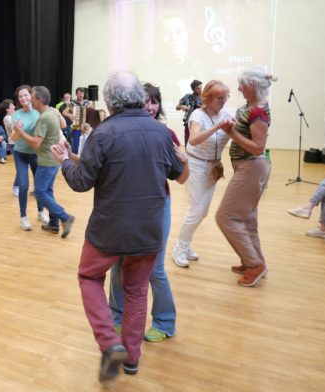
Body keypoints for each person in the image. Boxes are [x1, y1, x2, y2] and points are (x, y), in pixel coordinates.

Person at [51, 71, 188, 382]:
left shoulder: (103, 133)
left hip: (108, 233)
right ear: (139, 97)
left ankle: (110, 342)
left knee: (89, 277)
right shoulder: (160, 132)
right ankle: (132, 359)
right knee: (138, 291)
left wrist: (64, 161)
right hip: (148, 232)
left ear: (109, 101)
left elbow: (82, 182)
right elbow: (178, 173)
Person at [109, 82, 187, 345]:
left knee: (155, 269)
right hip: (125, 206)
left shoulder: (166, 134)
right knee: (119, 264)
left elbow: (181, 179)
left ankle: (165, 322)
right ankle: (116, 319)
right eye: (145, 101)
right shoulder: (118, 131)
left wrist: (184, 161)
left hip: (156, 206)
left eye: (154, 101)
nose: (150, 107)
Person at [216, 67, 276, 287]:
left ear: (252, 85)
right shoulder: (250, 107)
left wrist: (231, 133)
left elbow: (258, 148)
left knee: (225, 216)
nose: (239, 88)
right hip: (246, 167)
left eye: (241, 84)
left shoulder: (258, 112)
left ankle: (254, 265)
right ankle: (252, 260)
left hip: (252, 167)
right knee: (246, 219)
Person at [172, 80, 233, 267]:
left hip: (213, 166)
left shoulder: (225, 114)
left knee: (203, 212)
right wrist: (217, 127)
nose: (223, 101)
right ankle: (179, 248)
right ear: (207, 98)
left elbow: (235, 131)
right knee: (195, 210)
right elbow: (195, 139)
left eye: (225, 98)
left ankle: (186, 244)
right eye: (219, 98)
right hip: (197, 165)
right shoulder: (198, 115)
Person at [14, 85, 73, 238]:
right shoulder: (51, 113)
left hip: (46, 162)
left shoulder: (44, 117)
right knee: (47, 191)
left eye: (32, 97)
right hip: (52, 160)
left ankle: (64, 217)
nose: (30, 101)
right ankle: (53, 223)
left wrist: (20, 132)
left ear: (39, 100)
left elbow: (35, 143)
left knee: (40, 193)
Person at [10, 85, 46, 230]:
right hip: (20, 154)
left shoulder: (39, 112)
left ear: (31, 96)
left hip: (36, 154)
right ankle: (23, 217)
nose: (23, 98)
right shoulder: (17, 115)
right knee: (23, 185)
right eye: (20, 97)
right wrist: (18, 130)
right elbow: (13, 138)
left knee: (39, 186)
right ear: (18, 100)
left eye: (25, 95)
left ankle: (41, 212)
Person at [176, 80, 202, 144]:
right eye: (198, 88)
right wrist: (181, 106)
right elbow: (177, 107)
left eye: (201, 88)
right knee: (187, 143)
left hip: (200, 124)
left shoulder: (204, 97)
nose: (200, 90)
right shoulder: (187, 97)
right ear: (193, 89)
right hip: (188, 124)